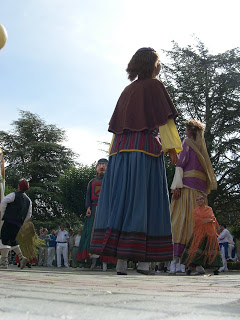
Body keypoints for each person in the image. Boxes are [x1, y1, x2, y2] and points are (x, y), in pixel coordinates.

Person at [90, 47, 182, 275]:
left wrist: (113, 156)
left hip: (119, 152)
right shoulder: (155, 85)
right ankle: (143, 262)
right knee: (145, 199)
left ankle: (121, 261)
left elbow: (116, 130)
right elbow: (165, 120)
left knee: (122, 200)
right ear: (152, 64)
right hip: (144, 149)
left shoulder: (127, 90)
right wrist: (172, 149)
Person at [169, 119, 217, 274]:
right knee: (191, 224)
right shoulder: (197, 147)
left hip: (191, 190)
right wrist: (177, 185)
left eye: (187, 129)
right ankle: (186, 262)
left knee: (186, 222)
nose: (185, 131)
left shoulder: (190, 144)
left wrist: (176, 185)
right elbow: (181, 165)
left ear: (192, 131)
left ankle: (185, 261)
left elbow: (179, 164)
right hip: (195, 191)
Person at [77, 158, 116, 271]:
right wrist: (88, 207)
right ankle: (92, 261)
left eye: (105, 164)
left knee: (105, 234)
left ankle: (105, 262)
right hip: (93, 211)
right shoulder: (92, 182)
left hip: (106, 211)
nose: (102, 167)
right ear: (96, 169)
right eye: (99, 165)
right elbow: (88, 196)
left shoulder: (111, 181)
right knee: (91, 235)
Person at [181, 196, 222, 275]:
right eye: (197, 200)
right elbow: (198, 220)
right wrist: (207, 220)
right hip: (199, 232)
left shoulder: (209, 209)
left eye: (201, 199)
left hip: (210, 232)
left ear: (203, 200)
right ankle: (190, 268)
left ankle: (215, 268)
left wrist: (211, 222)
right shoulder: (196, 210)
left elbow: (212, 218)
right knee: (196, 248)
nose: (199, 201)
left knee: (212, 248)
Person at [0, 179, 32, 269]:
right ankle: (21, 257)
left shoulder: (13, 195)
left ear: (18, 186)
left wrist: (2, 214)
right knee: (13, 240)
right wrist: (22, 221)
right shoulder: (28, 200)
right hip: (18, 223)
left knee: (4, 239)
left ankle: (4, 262)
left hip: (9, 220)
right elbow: (29, 214)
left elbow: (3, 201)